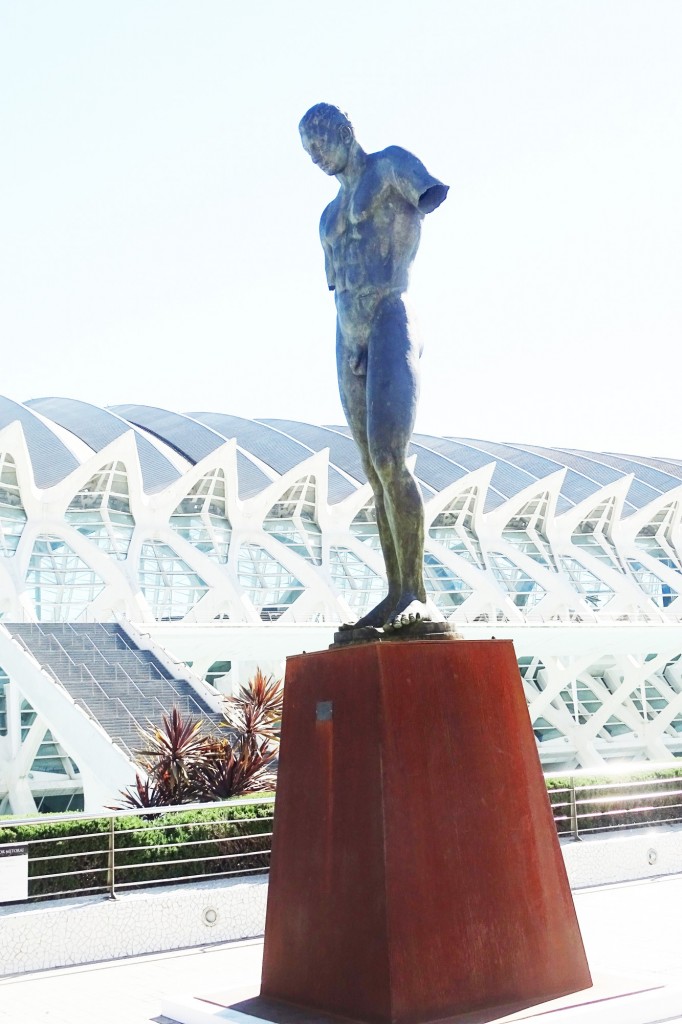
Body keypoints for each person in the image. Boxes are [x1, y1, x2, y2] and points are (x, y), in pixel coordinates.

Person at [299, 103, 449, 632]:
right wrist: (351, 342)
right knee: (370, 470)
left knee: (390, 457)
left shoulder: (389, 168)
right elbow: (337, 286)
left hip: (391, 315)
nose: (316, 156)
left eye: (320, 141)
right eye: (308, 150)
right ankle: (394, 593)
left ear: (344, 130)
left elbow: (428, 196)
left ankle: (416, 593)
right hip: (348, 335)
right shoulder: (327, 219)